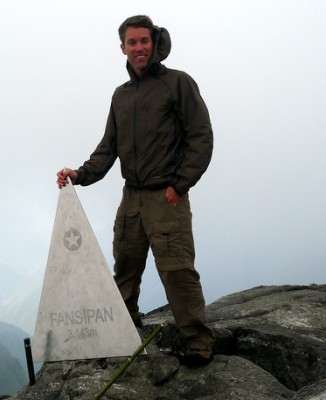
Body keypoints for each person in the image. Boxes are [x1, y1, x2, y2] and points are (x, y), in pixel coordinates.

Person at [56, 15, 215, 365]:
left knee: (176, 270)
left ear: (154, 42)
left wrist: (179, 184)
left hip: (166, 197)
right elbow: (108, 148)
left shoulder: (178, 83)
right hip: (132, 196)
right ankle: (123, 329)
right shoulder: (121, 96)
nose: (139, 48)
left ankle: (198, 343)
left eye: (144, 41)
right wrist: (79, 174)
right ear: (123, 48)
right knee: (125, 266)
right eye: (132, 43)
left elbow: (201, 137)